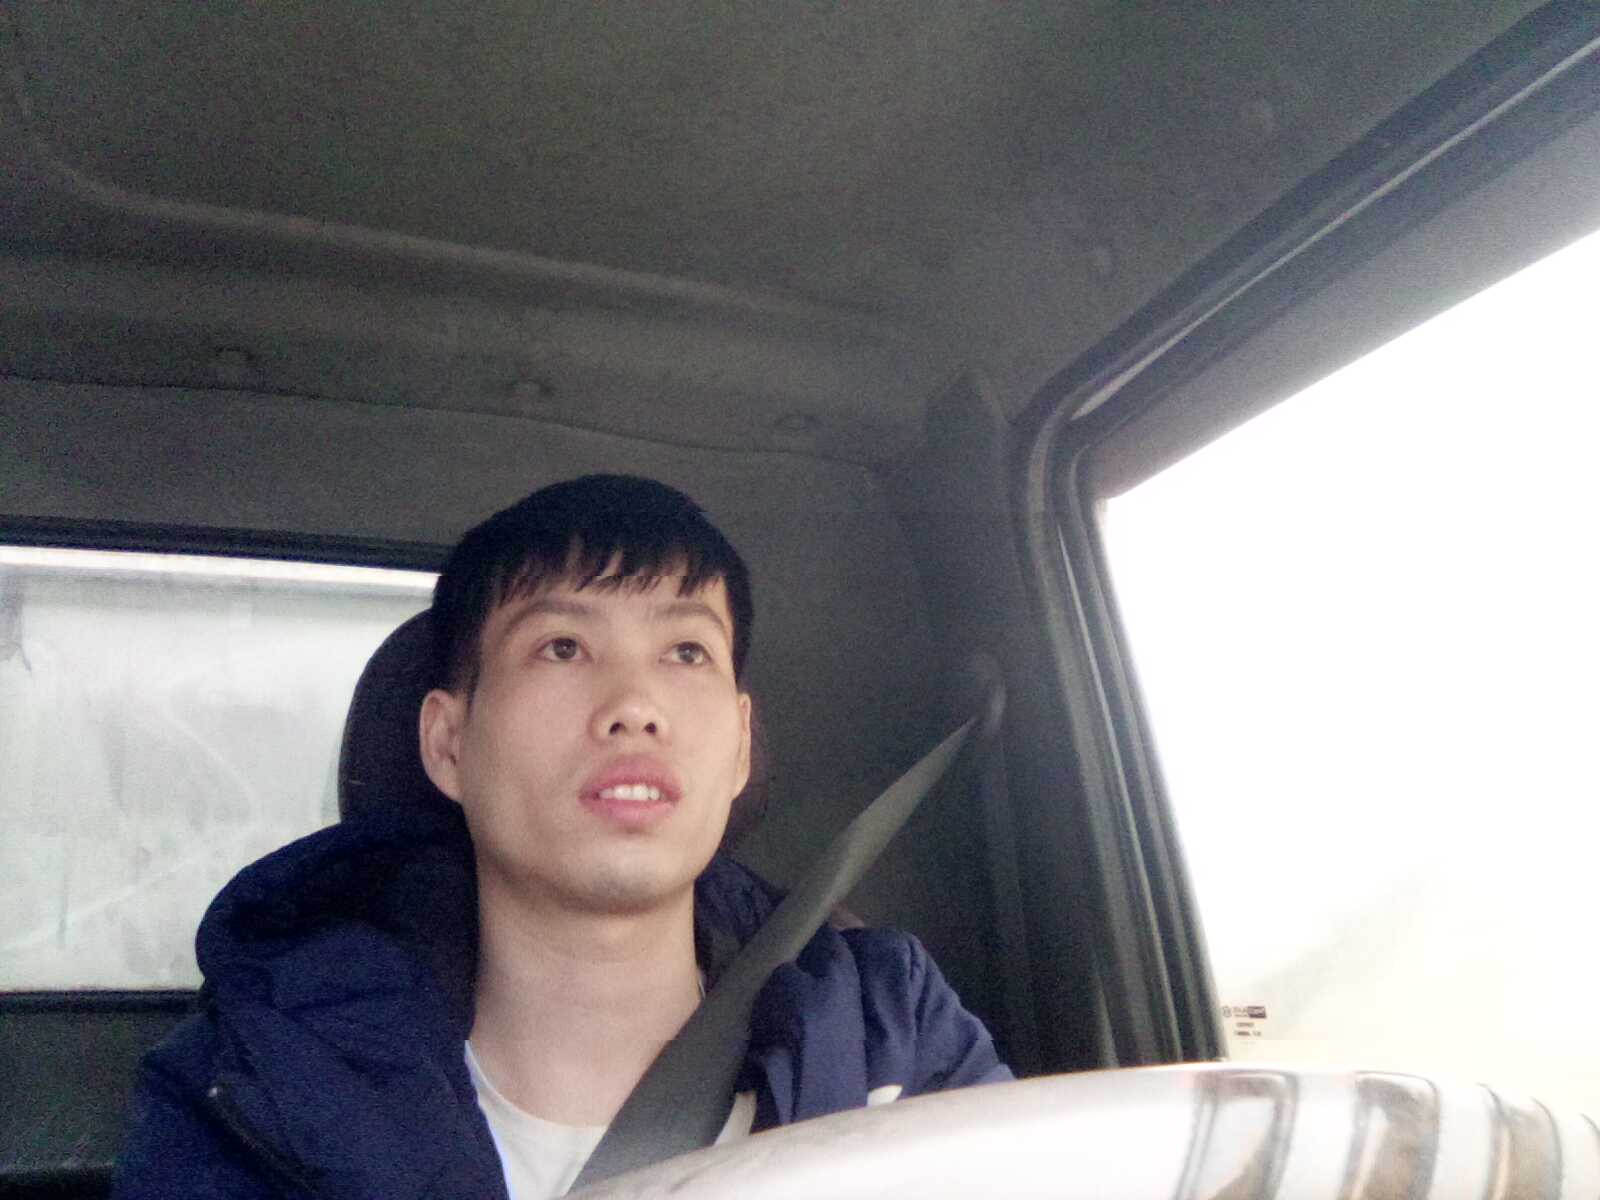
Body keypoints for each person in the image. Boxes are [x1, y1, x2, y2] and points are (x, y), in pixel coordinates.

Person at [113, 474, 1009, 1200]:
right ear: (448, 743)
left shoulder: (888, 1033)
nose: (635, 707)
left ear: (741, 744)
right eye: (562, 648)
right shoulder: (257, 1091)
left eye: (686, 652)